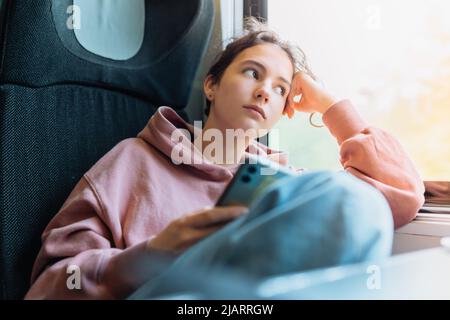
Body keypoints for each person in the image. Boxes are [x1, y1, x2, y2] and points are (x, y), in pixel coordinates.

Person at [25, 18, 424, 299]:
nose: (266, 91)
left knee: (358, 205)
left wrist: (329, 105)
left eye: (281, 89)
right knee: (346, 199)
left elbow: (401, 193)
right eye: (253, 73)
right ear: (212, 85)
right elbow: (53, 285)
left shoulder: (281, 181)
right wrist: (151, 255)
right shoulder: (133, 160)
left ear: (284, 109)